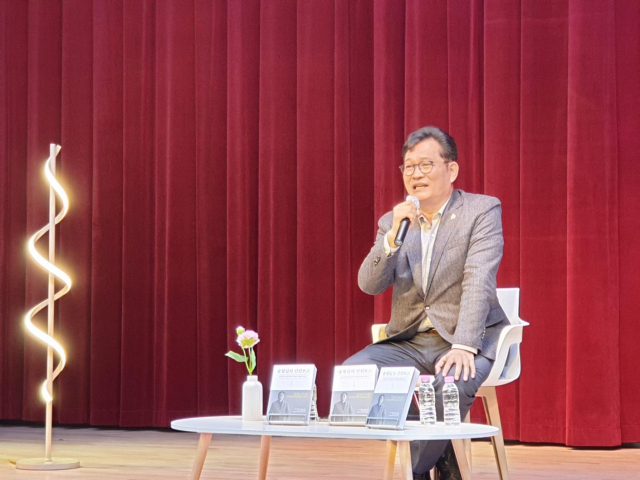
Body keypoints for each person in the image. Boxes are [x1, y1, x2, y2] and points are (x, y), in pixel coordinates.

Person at [344, 126, 509, 480]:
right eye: (409, 167)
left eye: (425, 165)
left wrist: (464, 345)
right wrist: (391, 239)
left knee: (447, 386)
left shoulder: (481, 210)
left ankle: (416, 471)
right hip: (410, 341)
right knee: (353, 375)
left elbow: (478, 279)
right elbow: (369, 285)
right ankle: (441, 451)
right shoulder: (394, 222)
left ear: (452, 169)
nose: (415, 174)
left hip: (466, 338)